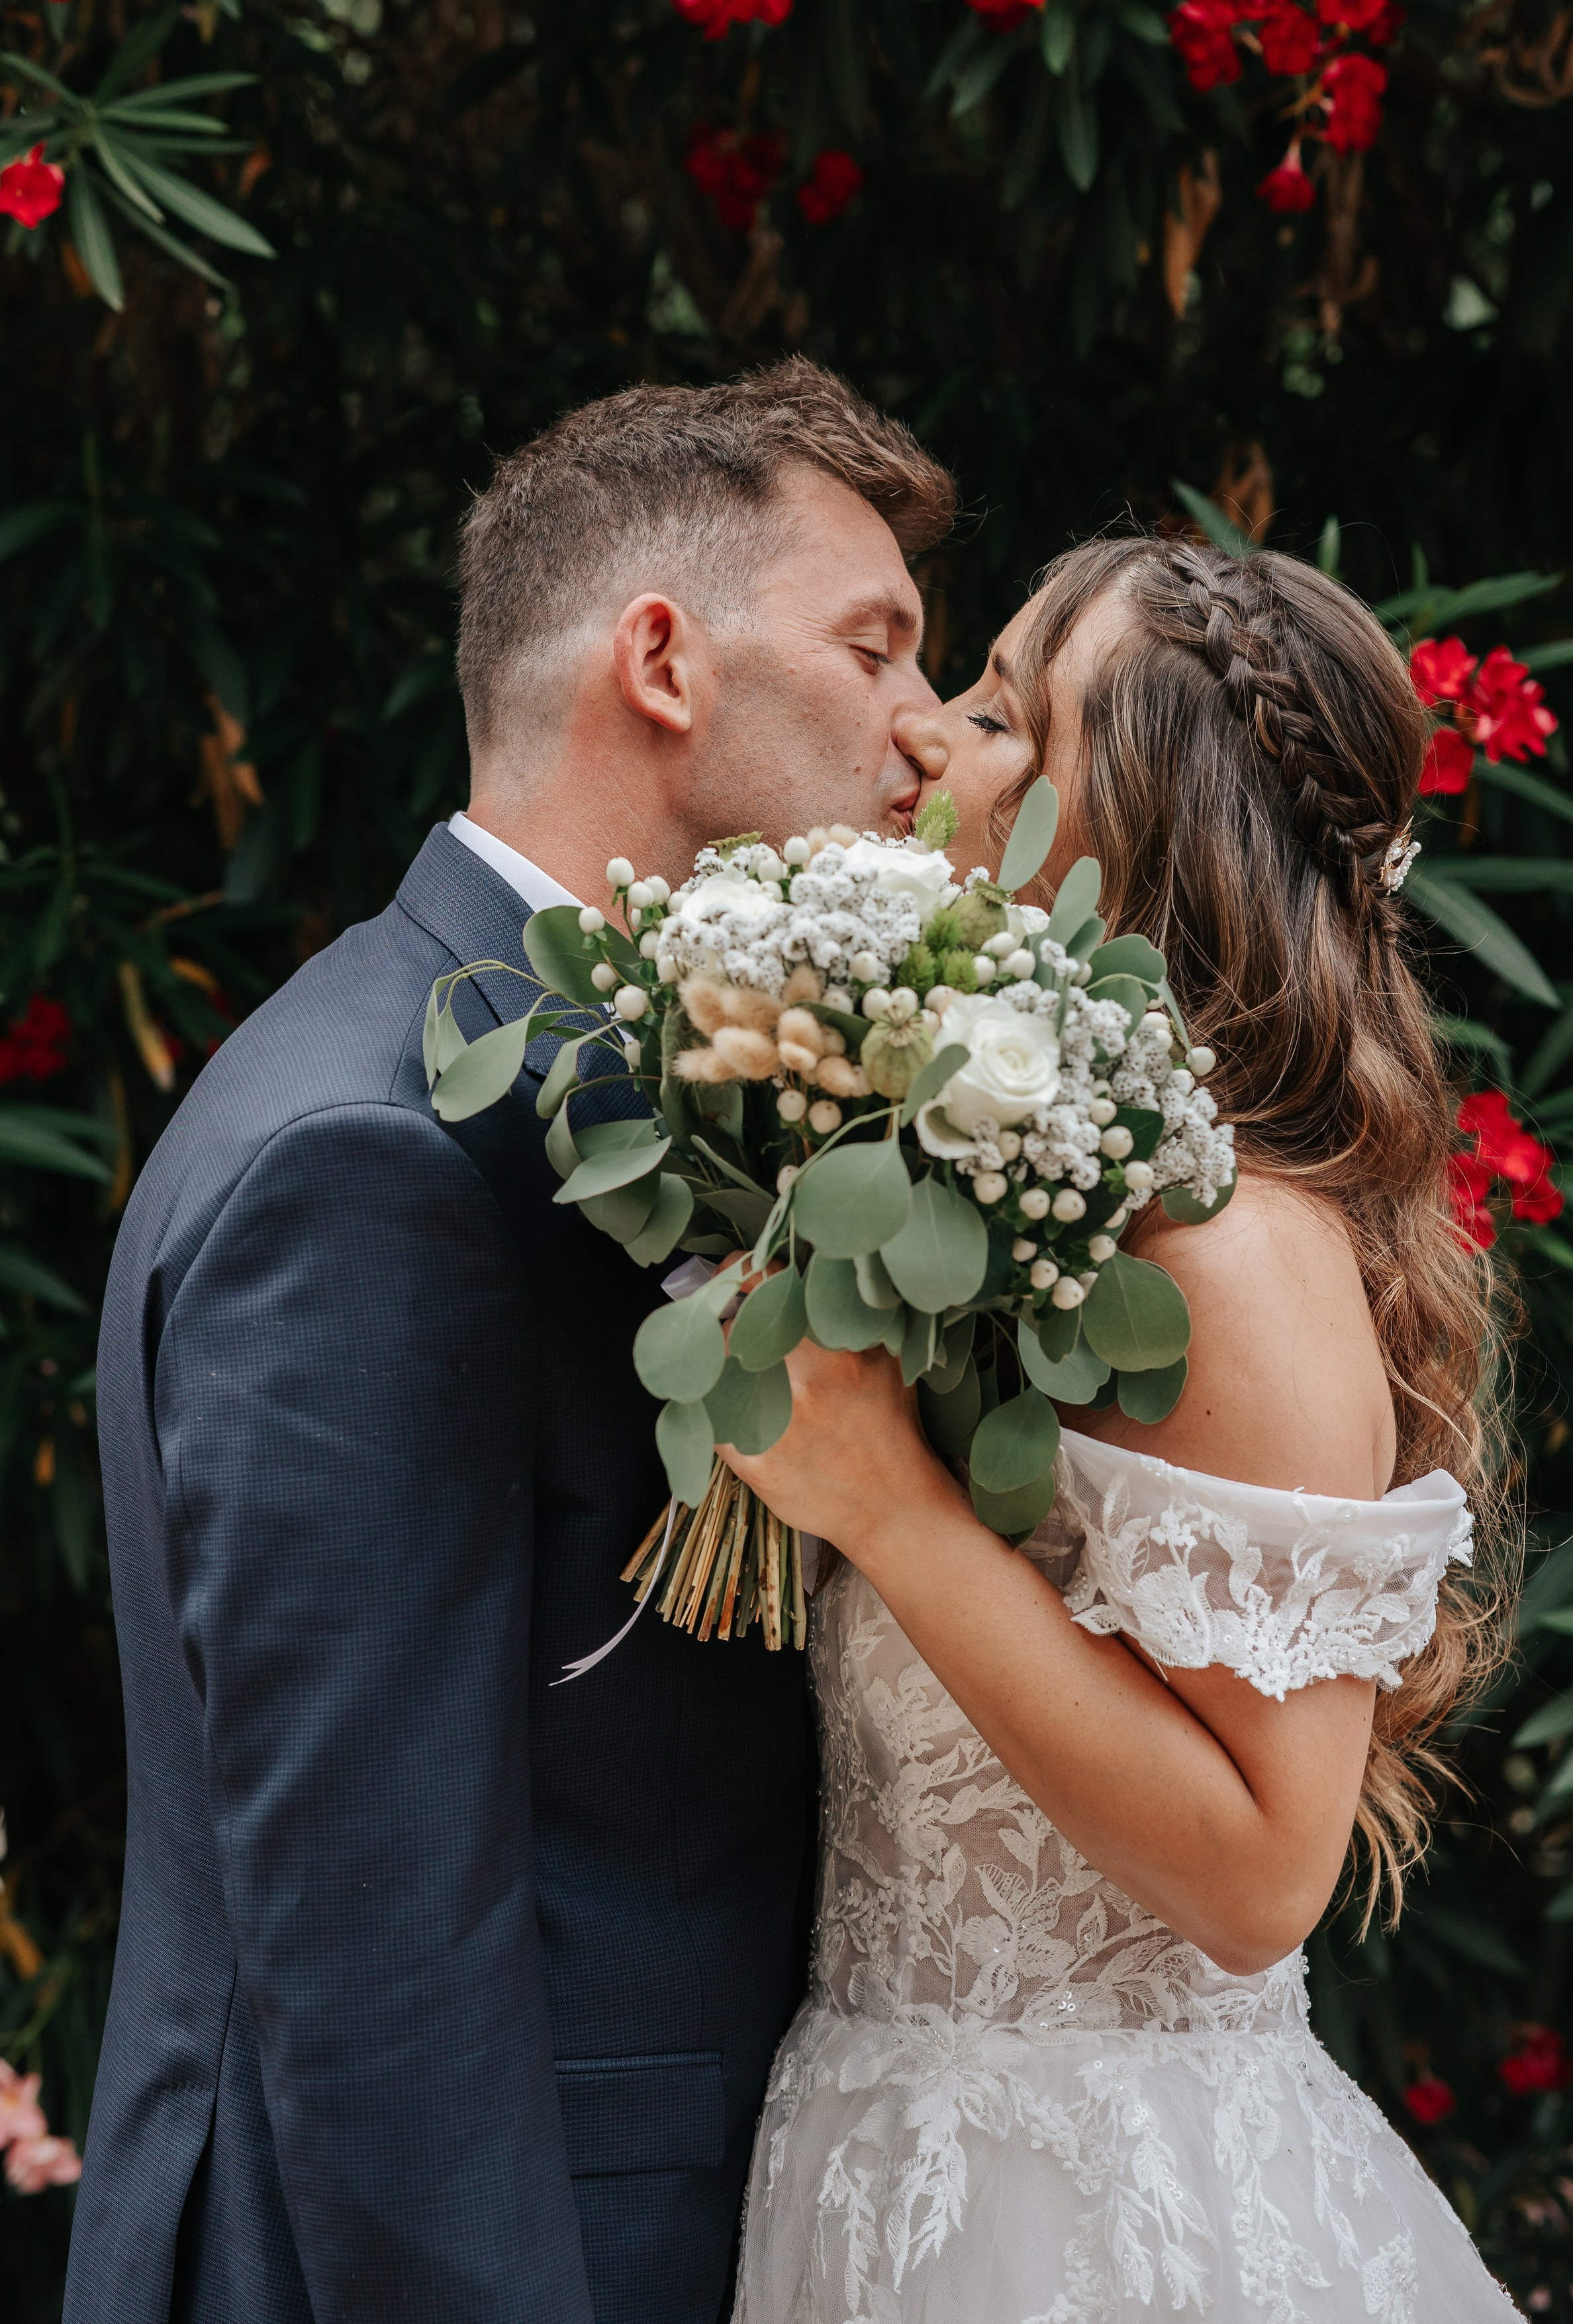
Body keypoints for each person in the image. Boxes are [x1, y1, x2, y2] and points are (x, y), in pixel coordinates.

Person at [65, 360, 954, 2324]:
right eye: (876, 646)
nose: (927, 729)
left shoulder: (572, 1081)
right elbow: (381, 1947)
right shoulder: (378, 1149)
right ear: (661, 658)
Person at [722, 534, 1525, 2321]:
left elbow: (1261, 1877)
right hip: (871, 2153)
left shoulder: (1230, 1253)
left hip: (1097, 2220)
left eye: (1006, 715)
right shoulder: (1030, 1208)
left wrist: (897, 1509)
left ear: (1135, 831)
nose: (929, 736)